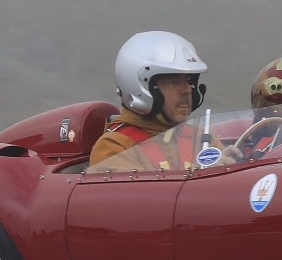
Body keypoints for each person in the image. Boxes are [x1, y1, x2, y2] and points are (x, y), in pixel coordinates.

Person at [87, 30, 210, 171]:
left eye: (188, 81)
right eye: (173, 82)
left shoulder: (200, 139)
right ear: (140, 87)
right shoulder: (114, 147)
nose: (187, 90)